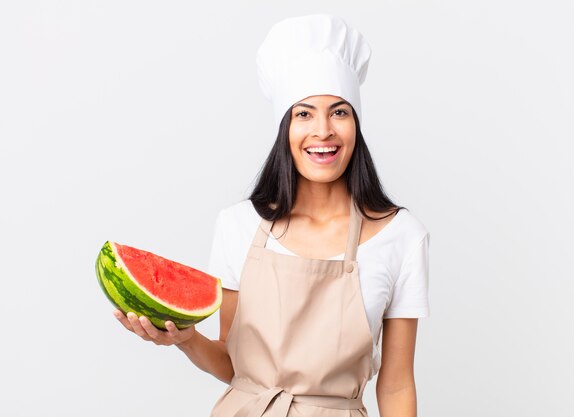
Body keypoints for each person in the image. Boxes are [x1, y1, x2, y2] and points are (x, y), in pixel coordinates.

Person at [113, 14, 430, 417]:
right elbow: (231, 364)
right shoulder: (237, 225)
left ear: (356, 124)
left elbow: (398, 383)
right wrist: (186, 339)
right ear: (285, 128)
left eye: (339, 112)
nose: (322, 131)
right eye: (303, 114)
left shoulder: (401, 236)